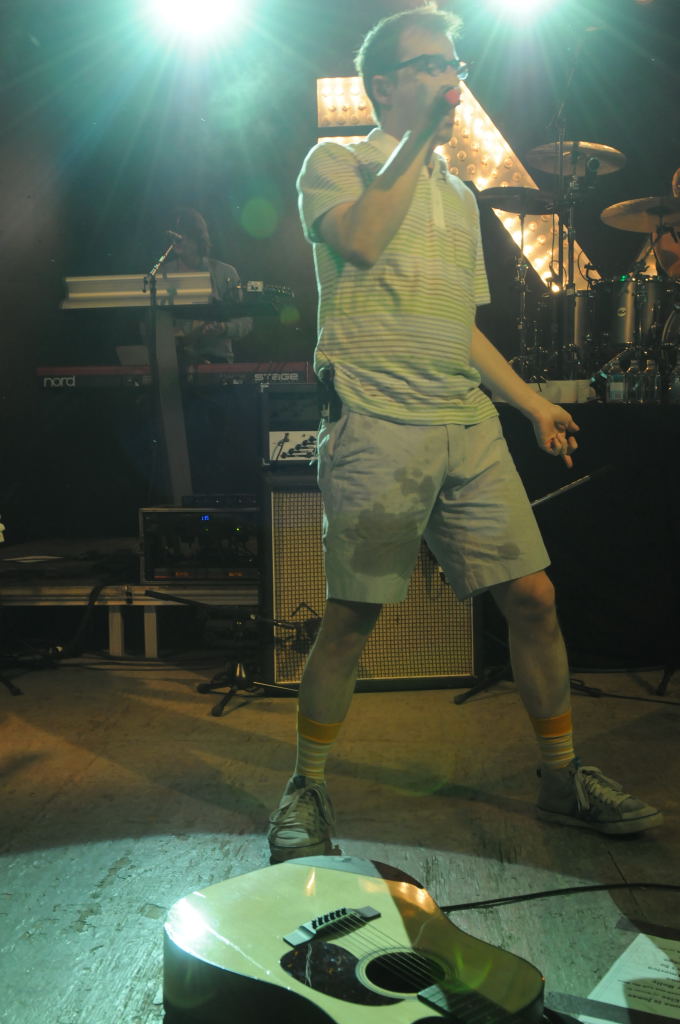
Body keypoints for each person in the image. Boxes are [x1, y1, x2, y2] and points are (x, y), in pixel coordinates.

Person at [267, 4, 663, 862]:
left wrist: (529, 402)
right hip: (377, 418)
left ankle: (561, 777)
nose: (451, 78)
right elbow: (362, 242)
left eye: (456, 65)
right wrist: (418, 141)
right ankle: (307, 785)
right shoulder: (336, 162)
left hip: (464, 421)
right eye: (431, 65)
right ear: (385, 86)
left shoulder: (457, 193)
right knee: (352, 616)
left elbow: (461, 326)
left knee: (534, 597)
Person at [161, 207, 252, 363]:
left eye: (184, 234)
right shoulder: (163, 274)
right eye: (174, 234)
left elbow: (245, 321)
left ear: (199, 239)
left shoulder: (225, 273)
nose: (177, 239)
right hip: (173, 363)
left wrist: (224, 328)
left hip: (216, 361)